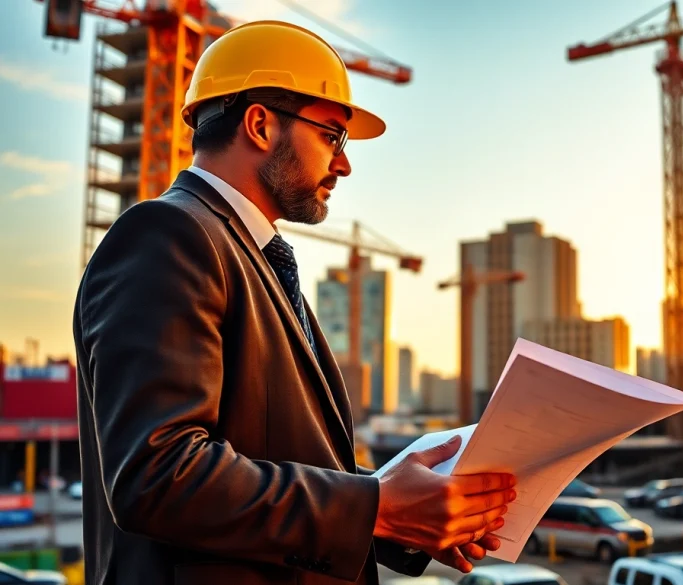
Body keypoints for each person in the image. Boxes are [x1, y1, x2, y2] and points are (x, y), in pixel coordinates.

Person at [72, 20, 516, 585]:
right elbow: (160, 474)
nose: (345, 164)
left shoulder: (253, 257)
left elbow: (275, 462)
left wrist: (398, 510)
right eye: (332, 135)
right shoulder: (169, 234)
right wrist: (374, 503)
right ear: (259, 124)